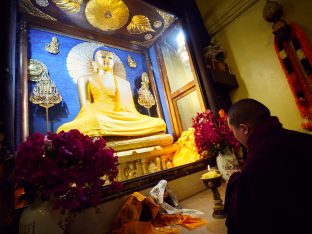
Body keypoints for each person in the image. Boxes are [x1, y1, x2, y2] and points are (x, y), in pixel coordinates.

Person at [224, 98, 312, 234]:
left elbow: (243, 221)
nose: (234, 136)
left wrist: (235, 179)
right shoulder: (303, 139)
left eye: (233, 131)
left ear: (244, 129)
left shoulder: (256, 162)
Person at [57, 48, 166, 137]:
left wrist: (129, 117)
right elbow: (85, 108)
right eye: (103, 57)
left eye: (110, 57)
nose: (107, 60)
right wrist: (97, 116)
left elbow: (131, 111)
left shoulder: (124, 83)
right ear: (94, 63)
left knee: (158, 123)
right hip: (99, 116)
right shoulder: (85, 79)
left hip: (123, 117)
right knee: (89, 123)